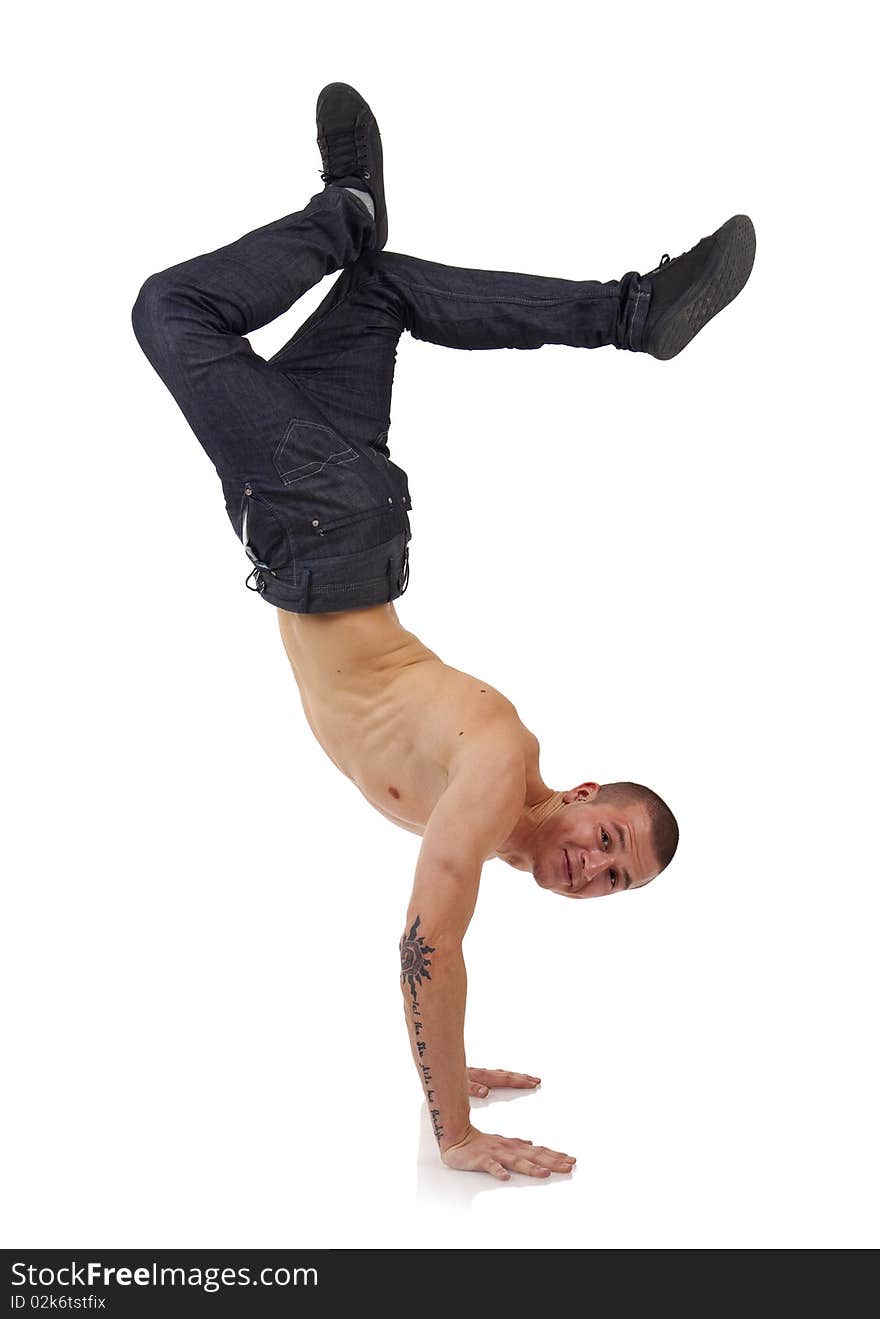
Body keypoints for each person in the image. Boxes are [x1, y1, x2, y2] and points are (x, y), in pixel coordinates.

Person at [132, 83, 755, 1181]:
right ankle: (348, 215)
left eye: (612, 883)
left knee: (378, 294)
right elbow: (431, 941)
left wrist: (452, 1062)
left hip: (346, 520)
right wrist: (453, 1130)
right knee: (170, 311)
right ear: (585, 791)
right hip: (322, 526)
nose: (589, 868)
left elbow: (449, 950)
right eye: (608, 840)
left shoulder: (496, 792)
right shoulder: (501, 765)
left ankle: (619, 311)